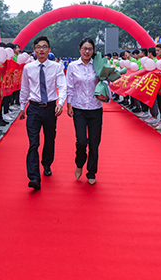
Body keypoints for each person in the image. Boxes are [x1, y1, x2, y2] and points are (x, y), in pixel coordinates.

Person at [19, 35, 67, 190]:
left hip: (50, 108)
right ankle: (34, 177)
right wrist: (22, 107)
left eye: (44, 47)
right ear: (34, 50)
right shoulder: (28, 68)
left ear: (49, 49)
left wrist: (60, 103)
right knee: (33, 142)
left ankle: (46, 164)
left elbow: (62, 86)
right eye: (39, 47)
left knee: (49, 138)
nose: (41, 50)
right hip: (33, 108)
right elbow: (24, 88)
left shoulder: (56, 67)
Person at [66, 37, 103, 185]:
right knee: (81, 141)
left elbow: (105, 82)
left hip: (95, 108)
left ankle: (91, 172)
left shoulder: (98, 65)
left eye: (90, 49)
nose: (87, 51)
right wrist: (69, 105)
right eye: (84, 48)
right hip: (79, 108)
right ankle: (79, 163)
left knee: (94, 142)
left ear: (93, 51)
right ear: (79, 49)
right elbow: (69, 87)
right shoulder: (72, 66)